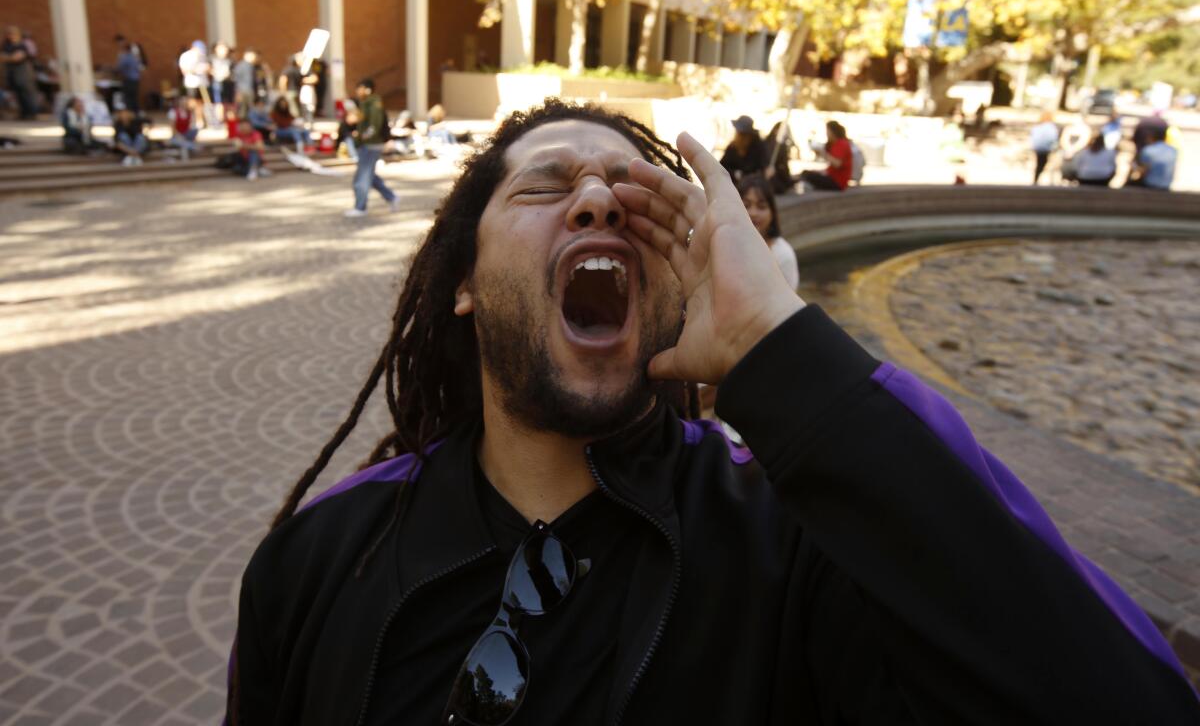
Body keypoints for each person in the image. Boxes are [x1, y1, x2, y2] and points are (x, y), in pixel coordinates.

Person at [225, 100, 1198, 725]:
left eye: (635, 195)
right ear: (464, 283)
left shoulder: (797, 554)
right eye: (547, 185)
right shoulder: (317, 561)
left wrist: (783, 346)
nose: (599, 199)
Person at [344, 77, 399, 218]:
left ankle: (360, 207)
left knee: (362, 177)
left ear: (367, 89)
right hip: (369, 143)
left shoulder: (373, 104)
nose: (357, 91)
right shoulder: (367, 104)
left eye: (360, 88)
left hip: (371, 145)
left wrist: (363, 137)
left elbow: (374, 125)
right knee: (370, 176)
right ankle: (391, 197)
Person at [738, 173, 799, 290]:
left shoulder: (783, 255)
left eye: (761, 207)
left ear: (772, 213)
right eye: (746, 205)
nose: (753, 213)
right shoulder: (723, 246)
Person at [799, 120, 853, 191]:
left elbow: (837, 164)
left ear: (832, 132)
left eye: (827, 131)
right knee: (808, 174)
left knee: (806, 174)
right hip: (835, 179)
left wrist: (822, 153)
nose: (826, 134)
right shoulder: (837, 143)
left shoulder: (841, 144)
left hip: (837, 182)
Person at [2, 25, 40, 119]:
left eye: (13, 34)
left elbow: (18, 57)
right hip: (12, 73)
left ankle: (32, 114)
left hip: (24, 73)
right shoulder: (6, 45)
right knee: (18, 94)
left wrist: (8, 57)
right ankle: (24, 113)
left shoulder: (22, 44)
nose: (11, 36)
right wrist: (11, 57)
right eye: (9, 34)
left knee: (28, 93)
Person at [719, 115, 768, 181]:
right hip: (733, 183)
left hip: (752, 183)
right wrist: (735, 173)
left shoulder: (758, 147)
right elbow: (722, 166)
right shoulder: (732, 147)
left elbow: (762, 168)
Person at [114, 36, 143, 112]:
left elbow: (119, 67)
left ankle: (130, 113)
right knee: (134, 97)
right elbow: (139, 67)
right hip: (136, 79)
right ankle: (136, 112)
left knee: (128, 98)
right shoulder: (135, 58)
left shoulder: (125, 57)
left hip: (128, 80)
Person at [1030, 112, 1059, 184]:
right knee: (1047, 164)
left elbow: (1033, 138)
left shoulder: (1037, 127)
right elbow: (1053, 138)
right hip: (1047, 148)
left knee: (1039, 164)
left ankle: (1036, 179)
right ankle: (1050, 181)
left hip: (1038, 148)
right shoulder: (1052, 127)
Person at [168, 95, 200, 160]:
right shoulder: (173, 112)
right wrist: (178, 135)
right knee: (180, 142)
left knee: (195, 129)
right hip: (177, 135)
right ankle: (192, 146)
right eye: (182, 101)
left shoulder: (189, 112)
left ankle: (189, 145)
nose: (184, 103)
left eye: (185, 102)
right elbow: (172, 126)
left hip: (186, 134)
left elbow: (192, 125)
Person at [211, 42, 234, 119]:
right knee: (219, 102)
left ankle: (229, 120)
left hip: (228, 83)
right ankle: (220, 120)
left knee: (230, 103)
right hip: (218, 82)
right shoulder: (212, 59)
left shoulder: (230, 60)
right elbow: (210, 70)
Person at [232, 48, 257, 117]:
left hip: (249, 90)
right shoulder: (240, 66)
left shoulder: (251, 66)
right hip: (242, 90)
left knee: (249, 109)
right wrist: (238, 92)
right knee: (242, 110)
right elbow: (236, 79)